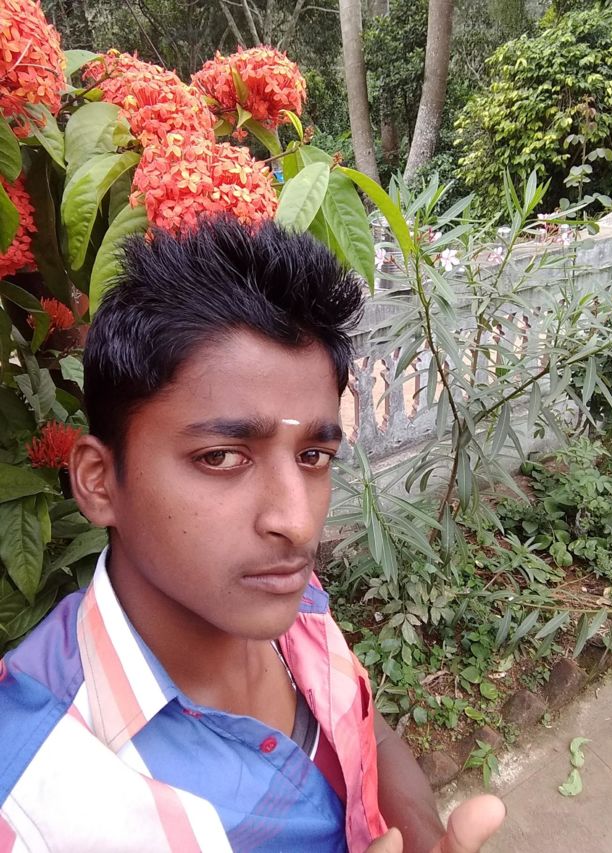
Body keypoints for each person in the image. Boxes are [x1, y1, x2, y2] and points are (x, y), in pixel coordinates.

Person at [0, 216, 505, 852]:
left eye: (313, 457)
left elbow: (363, 728)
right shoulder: (30, 796)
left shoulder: (289, 597)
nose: (297, 522)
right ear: (100, 482)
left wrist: (423, 837)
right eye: (221, 457)